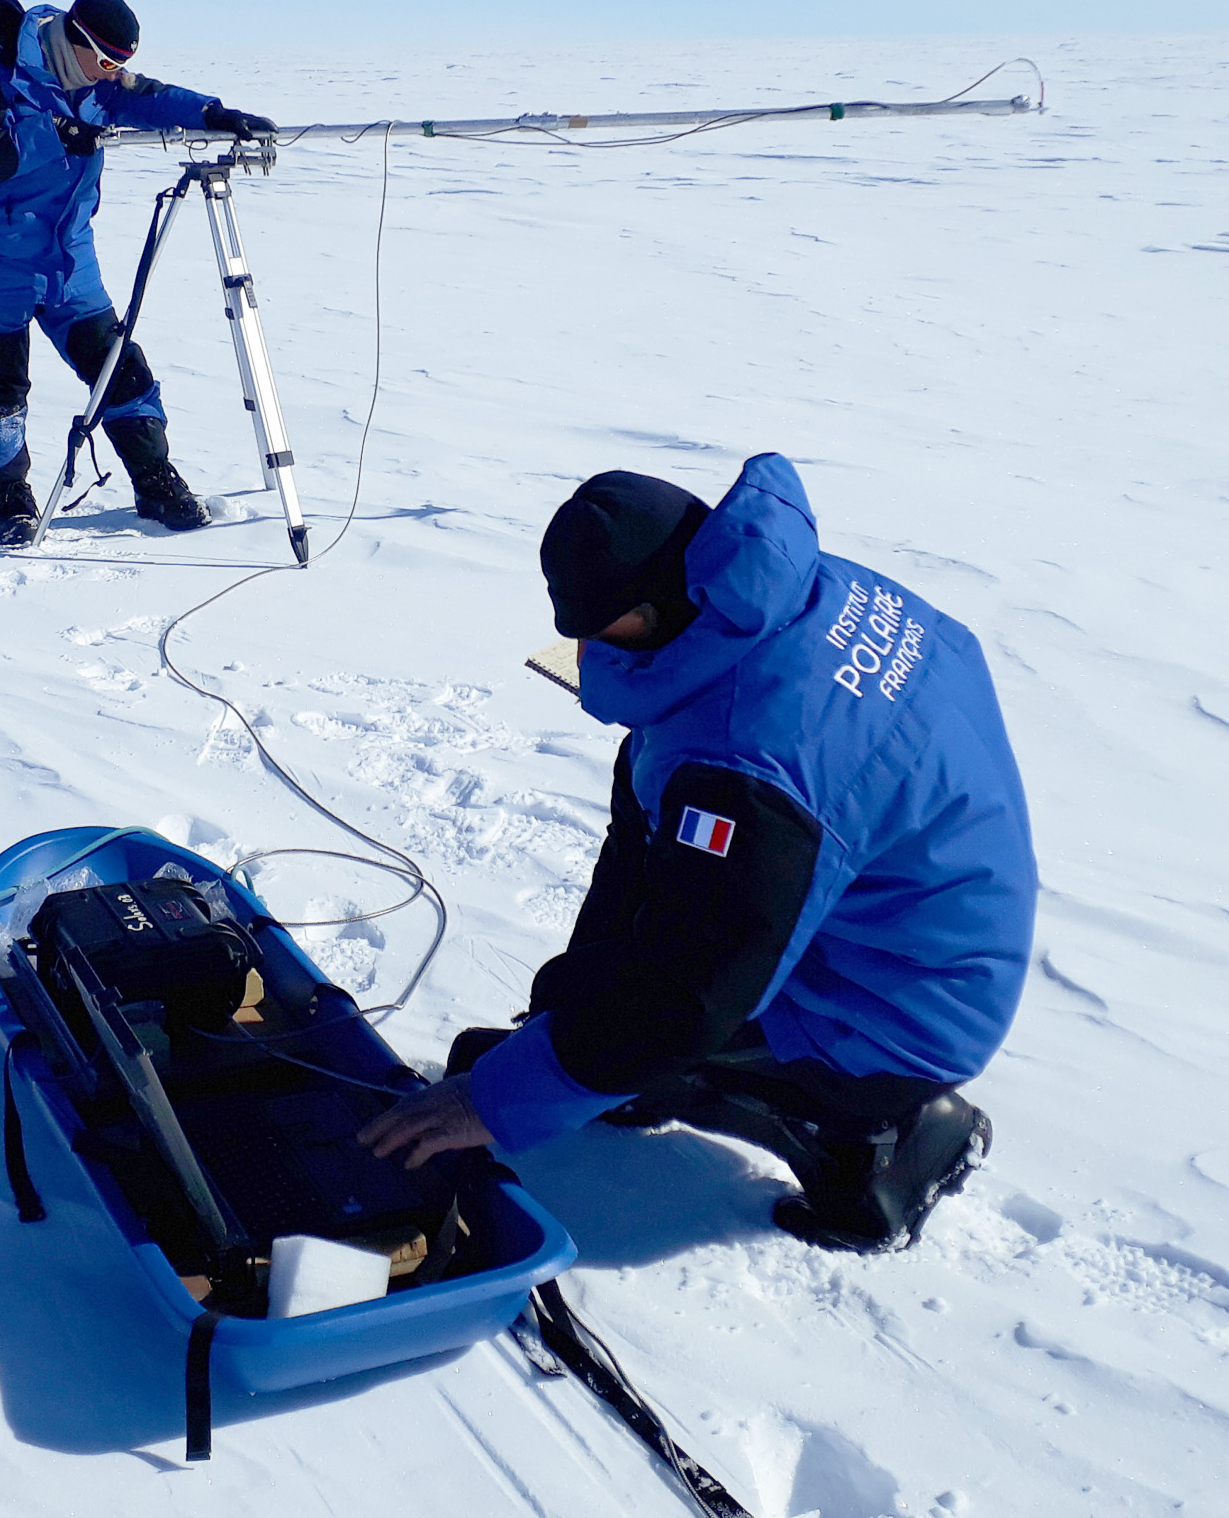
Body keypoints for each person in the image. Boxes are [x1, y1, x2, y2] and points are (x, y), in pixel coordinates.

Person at [361, 452, 1037, 1254]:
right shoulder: (792, 593)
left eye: (599, 629)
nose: (585, 650)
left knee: (657, 1029)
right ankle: (606, 1063)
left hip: (895, 1011)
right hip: (909, 921)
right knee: (614, 1011)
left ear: (656, 609)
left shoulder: (748, 764)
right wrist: (569, 1016)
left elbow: (692, 989)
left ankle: (882, 1146)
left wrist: (509, 1097)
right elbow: (650, 837)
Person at [0, 0, 275, 546]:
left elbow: (149, 97)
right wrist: (55, 134)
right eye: (105, 61)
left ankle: (154, 483)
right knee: (0, 392)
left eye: (119, 65)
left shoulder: (96, 86)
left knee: (121, 372)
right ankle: (12, 501)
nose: (112, 74)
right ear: (72, 41)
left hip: (69, 263)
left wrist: (211, 113)